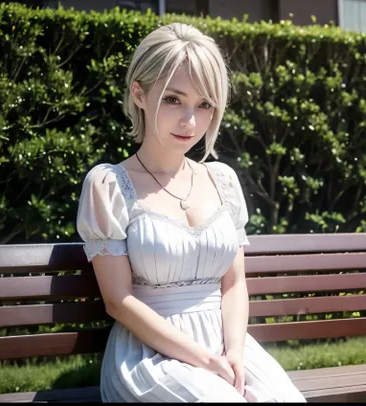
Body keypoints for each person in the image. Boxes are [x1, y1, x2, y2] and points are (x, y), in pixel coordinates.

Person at [75, 22, 306, 403]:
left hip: (226, 344)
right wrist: (204, 361)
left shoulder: (223, 182)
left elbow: (234, 284)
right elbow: (118, 300)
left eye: (204, 105)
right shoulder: (110, 186)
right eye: (173, 99)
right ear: (139, 93)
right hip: (149, 354)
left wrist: (233, 354)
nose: (190, 121)